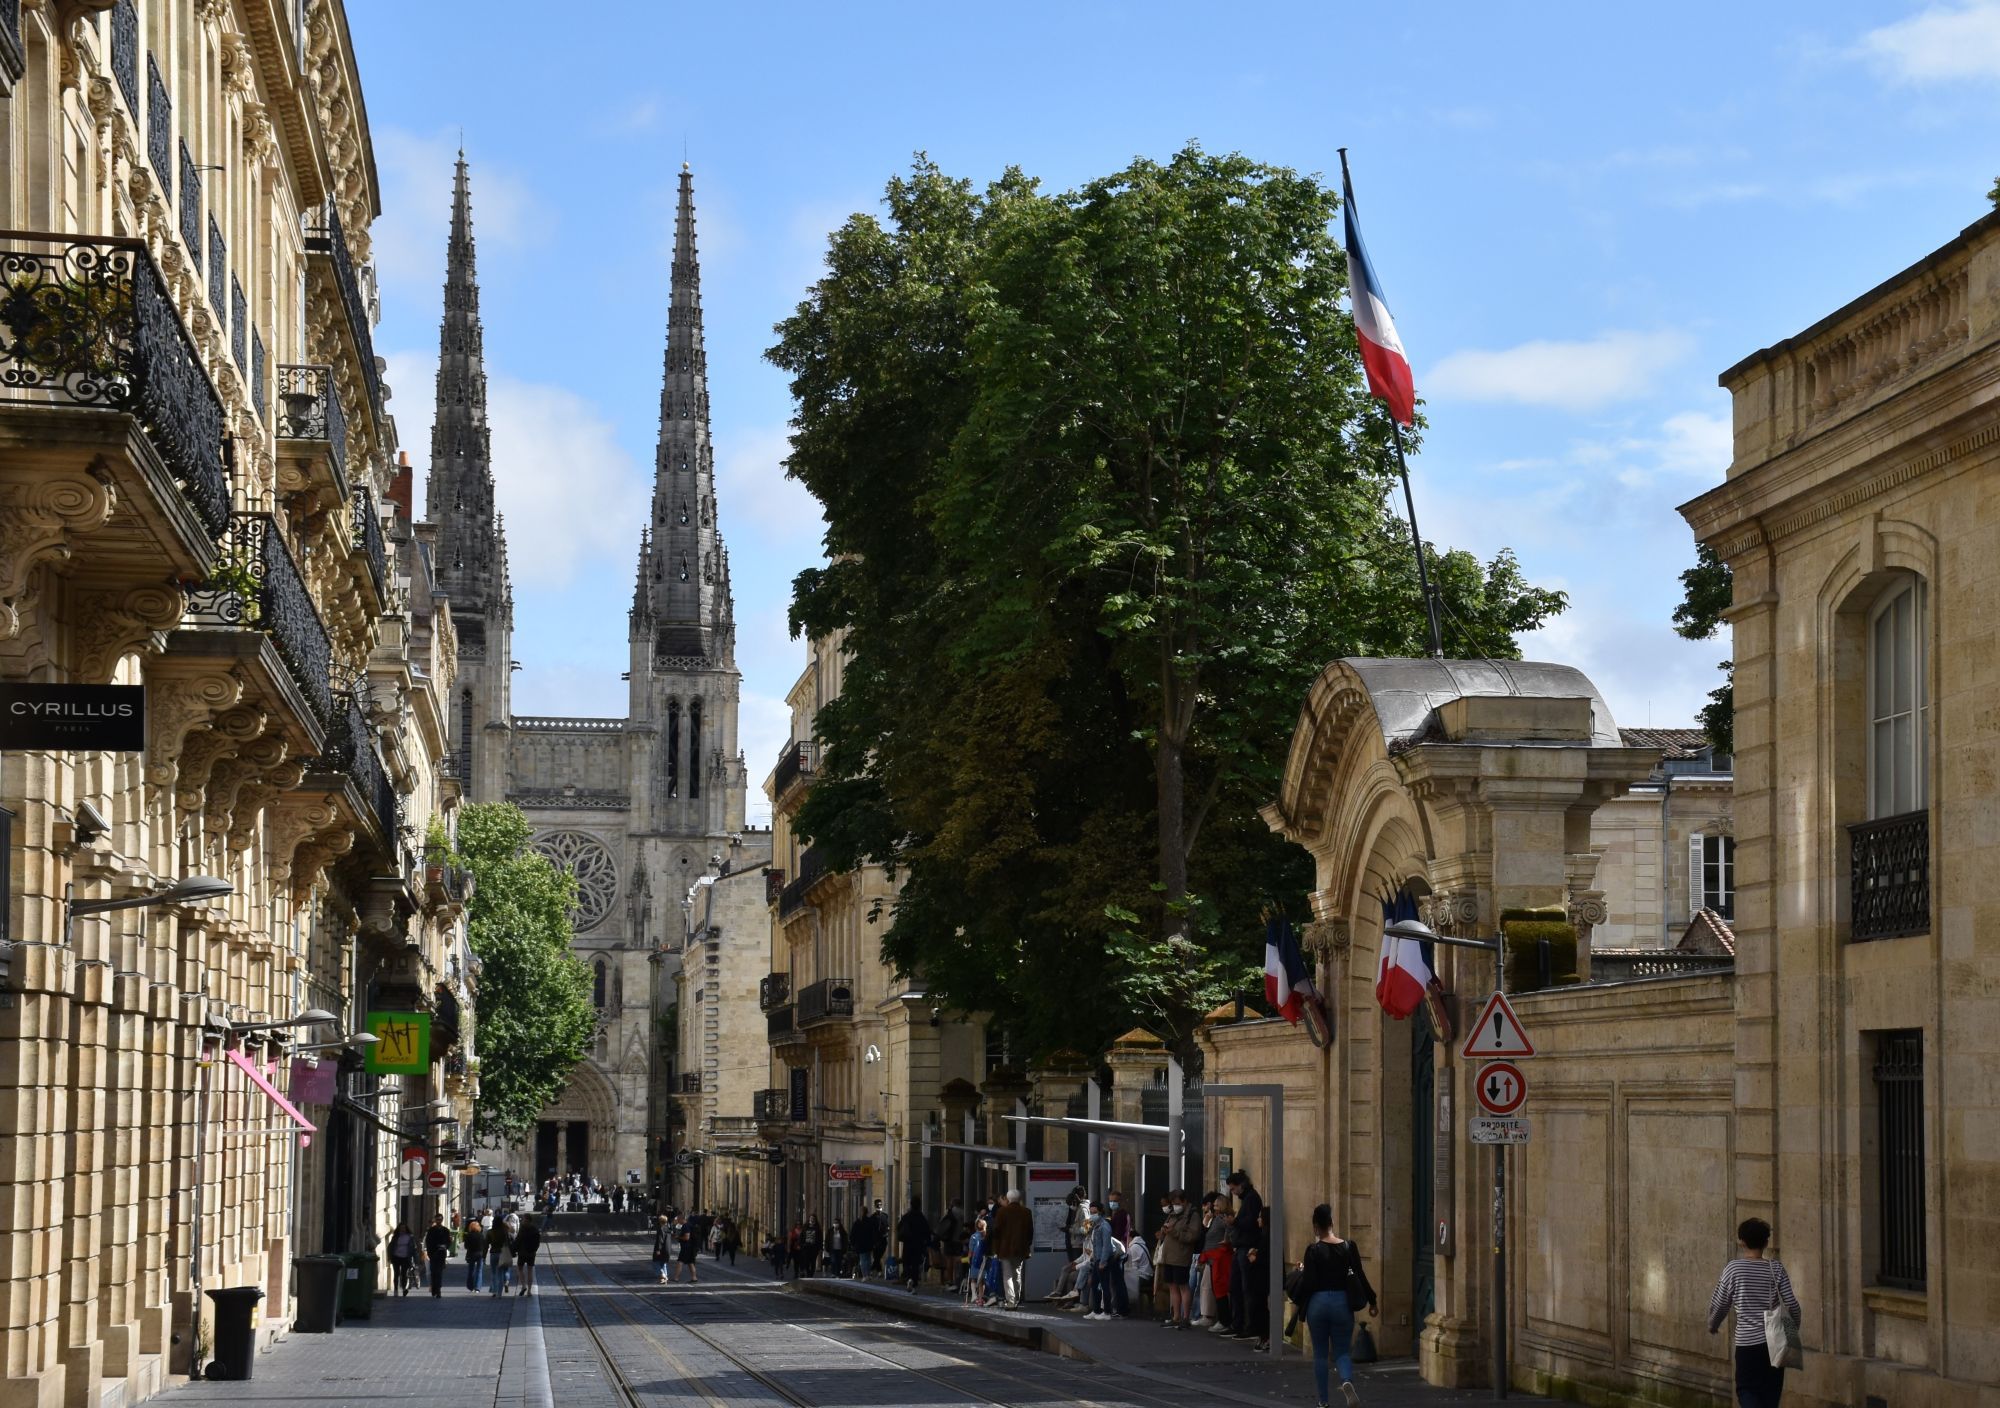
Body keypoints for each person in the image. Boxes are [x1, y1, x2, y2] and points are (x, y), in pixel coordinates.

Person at [1707, 1217, 1801, 1408]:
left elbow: (1720, 1305)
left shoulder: (1733, 1269)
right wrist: (1792, 1329)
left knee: (1746, 1391)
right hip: (1774, 1344)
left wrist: (1713, 1325)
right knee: (1770, 1395)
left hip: (1747, 1345)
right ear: (1766, 1243)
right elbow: (1792, 1305)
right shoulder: (1776, 1268)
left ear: (1741, 1242)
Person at [1294, 1202, 1376, 1408]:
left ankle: (1323, 1402)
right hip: (1342, 1302)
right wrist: (1372, 1300)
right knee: (1342, 1352)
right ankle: (1347, 1380)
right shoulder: (1349, 1247)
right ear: (1331, 1222)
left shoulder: (1313, 1250)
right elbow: (1359, 1275)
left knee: (1320, 1354)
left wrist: (1302, 1273)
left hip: (1318, 1304)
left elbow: (1309, 1283)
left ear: (1315, 1227)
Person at [1222, 1170, 1264, 1339]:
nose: (1233, 1193)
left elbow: (1251, 1223)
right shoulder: (1247, 1199)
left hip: (1246, 1247)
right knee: (1235, 1286)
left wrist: (1235, 1221)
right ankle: (1237, 1323)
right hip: (1240, 1248)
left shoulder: (1252, 1199)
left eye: (1233, 1189)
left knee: (1246, 1288)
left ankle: (1248, 1326)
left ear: (1241, 1185)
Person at [1157, 1189, 1202, 1329]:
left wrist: (1174, 1232)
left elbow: (1192, 1236)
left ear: (1184, 1201)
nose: (1174, 1206)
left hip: (1181, 1255)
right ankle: (1175, 1316)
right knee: (1172, 1286)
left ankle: (1185, 1317)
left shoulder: (1192, 1215)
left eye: (1177, 1203)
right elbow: (1167, 1228)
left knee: (1183, 1286)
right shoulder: (1173, 1214)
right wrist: (1163, 1232)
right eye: (1173, 1203)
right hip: (1169, 1255)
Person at [989, 1188, 1035, 1310]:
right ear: (1019, 1199)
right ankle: (1017, 1299)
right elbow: (1030, 1231)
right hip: (1021, 1248)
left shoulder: (1002, 1212)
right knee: (1017, 1274)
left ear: (1008, 1199)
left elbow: (996, 1230)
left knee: (1007, 1275)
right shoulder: (1027, 1212)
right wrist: (1027, 1244)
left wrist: (996, 1247)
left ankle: (1011, 1301)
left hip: (1005, 1248)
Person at [1084, 1199, 1119, 1320]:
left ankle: (1107, 1312)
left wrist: (1103, 1261)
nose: (1092, 1214)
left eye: (1094, 1212)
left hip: (1103, 1259)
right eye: (1091, 1212)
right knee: (1094, 1284)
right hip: (1097, 1258)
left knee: (1104, 1285)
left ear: (1100, 1212)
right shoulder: (1095, 1225)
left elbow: (1106, 1245)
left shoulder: (1104, 1226)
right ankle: (1096, 1309)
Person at [896, 1198, 932, 1294]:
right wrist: (928, 1243)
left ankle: (908, 1279)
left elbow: (899, 1227)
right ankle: (914, 1283)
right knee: (916, 1264)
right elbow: (927, 1231)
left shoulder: (906, 1216)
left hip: (908, 1244)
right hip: (918, 1244)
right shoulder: (921, 1217)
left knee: (907, 1262)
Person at [937, 1199, 966, 1292]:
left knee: (949, 1260)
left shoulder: (949, 1212)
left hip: (949, 1240)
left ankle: (950, 1280)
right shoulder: (962, 1212)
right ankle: (957, 1279)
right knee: (957, 1259)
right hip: (959, 1240)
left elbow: (942, 1222)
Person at [424, 1214, 453, 1298]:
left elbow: (449, 1241)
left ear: (442, 1220)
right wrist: (429, 1253)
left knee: (439, 1272)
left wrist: (445, 1246)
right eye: (437, 1219)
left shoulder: (445, 1230)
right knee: (433, 1272)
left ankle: (438, 1289)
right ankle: (434, 1289)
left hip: (441, 1253)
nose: (438, 1221)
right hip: (433, 1253)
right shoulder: (431, 1230)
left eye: (440, 1219)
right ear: (435, 1220)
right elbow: (428, 1242)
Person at [487, 1212, 515, 1297]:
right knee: (502, 1272)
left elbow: (485, 1244)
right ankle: (500, 1292)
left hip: (493, 1253)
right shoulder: (505, 1232)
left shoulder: (490, 1232)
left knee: (493, 1273)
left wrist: (484, 1256)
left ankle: (494, 1291)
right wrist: (513, 1252)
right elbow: (512, 1241)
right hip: (503, 1252)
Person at [386, 1221, 416, 1296]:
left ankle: (403, 1288)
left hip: (405, 1258)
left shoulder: (410, 1237)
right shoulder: (395, 1236)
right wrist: (389, 1257)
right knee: (396, 1274)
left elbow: (413, 1248)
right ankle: (396, 1289)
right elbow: (390, 1247)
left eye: (404, 1228)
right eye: (401, 1228)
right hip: (396, 1257)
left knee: (404, 1274)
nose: (402, 1229)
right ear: (399, 1229)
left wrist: (415, 1259)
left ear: (406, 1229)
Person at [515, 1215, 542, 1297]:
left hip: (522, 1252)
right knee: (530, 1271)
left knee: (520, 1268)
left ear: (526, 1220)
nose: (522, 1221)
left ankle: (523, 1285)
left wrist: (514, 1249)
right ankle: (529, 1291)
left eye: (523, 1219)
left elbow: (518, 1240)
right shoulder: (535, 1229)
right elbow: (538, 1241)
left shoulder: (522, 1229)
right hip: (531, 1253)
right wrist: (534, 1250)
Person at [851, 1206, 879, 1280]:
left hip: (860, 1244)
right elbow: (874, 1233)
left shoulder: (857, 1222)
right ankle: (868, 1274)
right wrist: (874, 1242)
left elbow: (853, 1234)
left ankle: (865, 1275)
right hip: (868, 1243)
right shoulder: (870, 1221)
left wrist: (853, 1243)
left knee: (863, 1259)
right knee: (868, 1259)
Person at [675, 1213, 701, 1283]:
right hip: (691, 1247)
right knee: (690, 1262)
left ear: (681, 1219)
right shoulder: (689, 1225)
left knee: (680, 1262)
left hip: (686, 1247)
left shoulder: (685, 1226)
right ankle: (694, 1278)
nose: (677, 1221)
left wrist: (678, 1237)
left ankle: (676, 1278)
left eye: (678, 1219)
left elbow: (687, 1237)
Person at [464, 1217, 487, 1293]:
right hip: (480, 1254)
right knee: (479, 1270)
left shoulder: (469, 1235)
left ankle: (471, 1287)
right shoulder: (481, 1235)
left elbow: (466, 1246)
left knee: (471, 1270)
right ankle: (477, 1288)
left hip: (471, 1254)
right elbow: (484, 1245)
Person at [651, 1214, 674, 1284]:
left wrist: (658, 1249)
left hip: (662, 1249)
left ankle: (662, 1275)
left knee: (655, 1262)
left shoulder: (661, 1229)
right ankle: (664, 1278)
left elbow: (660, 1240)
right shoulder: (668, 1229)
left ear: (660, 1221)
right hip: (668, 1249)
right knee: (663, 1263)